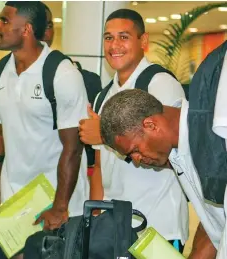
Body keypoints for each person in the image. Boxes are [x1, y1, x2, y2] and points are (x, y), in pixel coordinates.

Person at [0, 1, 89, 257]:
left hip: (57, 204)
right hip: (14, 202)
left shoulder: (61, 73)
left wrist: (60, 207)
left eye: (5, 21)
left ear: (26, 29)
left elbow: (73, 147)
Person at [78, 8, 189, 251]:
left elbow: (170, 154)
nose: (114, 45)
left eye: (124, 37)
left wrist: (105, 137)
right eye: (108, 38)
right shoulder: (102, 96)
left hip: (159, 225)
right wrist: (95, 216)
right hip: (115, 229)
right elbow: (99, 168)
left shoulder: (159, 83)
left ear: (143, 41)